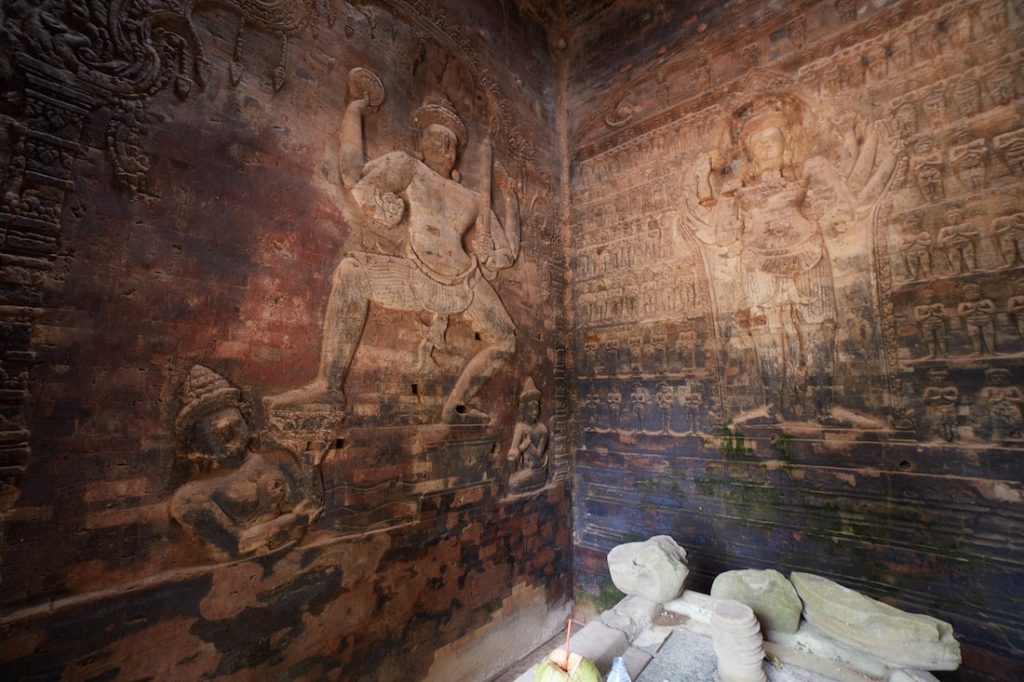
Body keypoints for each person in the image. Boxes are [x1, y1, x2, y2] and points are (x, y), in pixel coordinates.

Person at [266, 72, 520, 424]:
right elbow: (356, 178)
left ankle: (455, 407)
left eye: (450, 142)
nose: (445, 147)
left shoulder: (473, 198)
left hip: (466, 279)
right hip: (415, 270)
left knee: (506, 341)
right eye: (436, 138)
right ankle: (328, 385)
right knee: (352, 272)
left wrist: (503, 221)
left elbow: (507, 255)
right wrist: (355, 111)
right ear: (421, 141)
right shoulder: (409, 167)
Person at [691, 94, 894, 424]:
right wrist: (712, 186)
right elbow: (724, 234)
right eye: (757, 144)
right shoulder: (736, 186)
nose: (765, 148)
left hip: (808, 251)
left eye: (772, 139)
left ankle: (824, 406)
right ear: (749, 152)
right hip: (757, 261)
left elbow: (840, 209)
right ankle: (773, 407)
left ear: (787, 143)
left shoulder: (809, 171)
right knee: (766, 331)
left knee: (818, 326)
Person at [169, 365, 324, 562]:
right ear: (196, 444)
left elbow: (309, 509)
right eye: (213, 432)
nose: (227, 435)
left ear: (246, 421)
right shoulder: (190, 497)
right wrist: (291, 521)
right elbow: (237, 544)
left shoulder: (278, 460)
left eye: (234, 424)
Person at [506, 378, 549, 493]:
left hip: (537, 470)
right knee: (512, 483)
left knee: (514, 484)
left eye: (536, 407)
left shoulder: (543, 430)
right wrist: (518, 450)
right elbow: (514, 450)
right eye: (531, 407)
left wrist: (529, 446)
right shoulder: (520, 427)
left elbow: (538, 458)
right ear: (523, 409)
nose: (534, 411)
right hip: (524, 469)